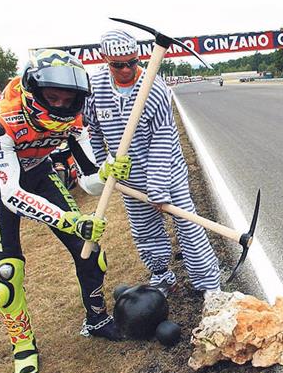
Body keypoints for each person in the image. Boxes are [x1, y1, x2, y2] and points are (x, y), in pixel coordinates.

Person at [0, 49, 131, 373]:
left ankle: (97, 319)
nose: (60, 105)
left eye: (68, 99)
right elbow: (12, 195)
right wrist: (70, 219)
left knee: (89, 250)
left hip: (41, 172)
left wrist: (107, 171)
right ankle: (22, 345)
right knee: (5, 272)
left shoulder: (74, 121)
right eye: (52, 97)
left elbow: (88, 180)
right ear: (34, 91)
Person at [85, 29, 221, 297]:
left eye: (132, 63)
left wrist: (158, 188)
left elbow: (163, 138)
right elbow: (94, 131)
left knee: (188, 226)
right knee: (145, 231)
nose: (126, 69)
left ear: (138, 58)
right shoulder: (95, 88)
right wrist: (105, 170)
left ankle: (208, 284)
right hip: (128, 178)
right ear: (105, 60)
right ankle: (162, 274)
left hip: (167, 173)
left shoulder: (154, 87)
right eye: (117, 65)